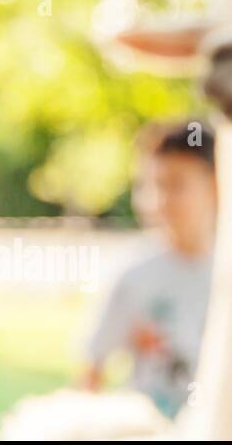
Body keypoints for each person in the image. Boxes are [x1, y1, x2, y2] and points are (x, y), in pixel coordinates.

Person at [81, 120, 216, 417]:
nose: (161, 200)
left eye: (177, 184)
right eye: (154, 185)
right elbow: (92, 368)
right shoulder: (134, 274)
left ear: (215, 186)